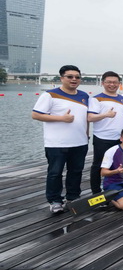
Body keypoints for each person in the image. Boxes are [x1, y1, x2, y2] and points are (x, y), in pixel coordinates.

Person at [32, 65, 91, 214]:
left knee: (76, 171)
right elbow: (36, 115)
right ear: (61, 78)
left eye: (77, 77)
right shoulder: (50, 95)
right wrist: (61, 118)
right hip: (56, 143)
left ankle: (73, 198)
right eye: (70, 77)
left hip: (80, 142)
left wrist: (87, 135)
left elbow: (86, 118)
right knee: (55, 173)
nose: (74, 79)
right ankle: (55, 201)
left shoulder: (84, 96)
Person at [87, 71, 123, 194]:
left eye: (115, 82)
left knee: (119, 165)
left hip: (119, 138)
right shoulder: (96, 99)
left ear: (119, 84)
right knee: (98, 165)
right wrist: (106, 115)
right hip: (102, 137)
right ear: (103, 83)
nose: (112, 84)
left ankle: (114, 189)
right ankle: (96, 192)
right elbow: (90, 117)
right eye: (109, 82)